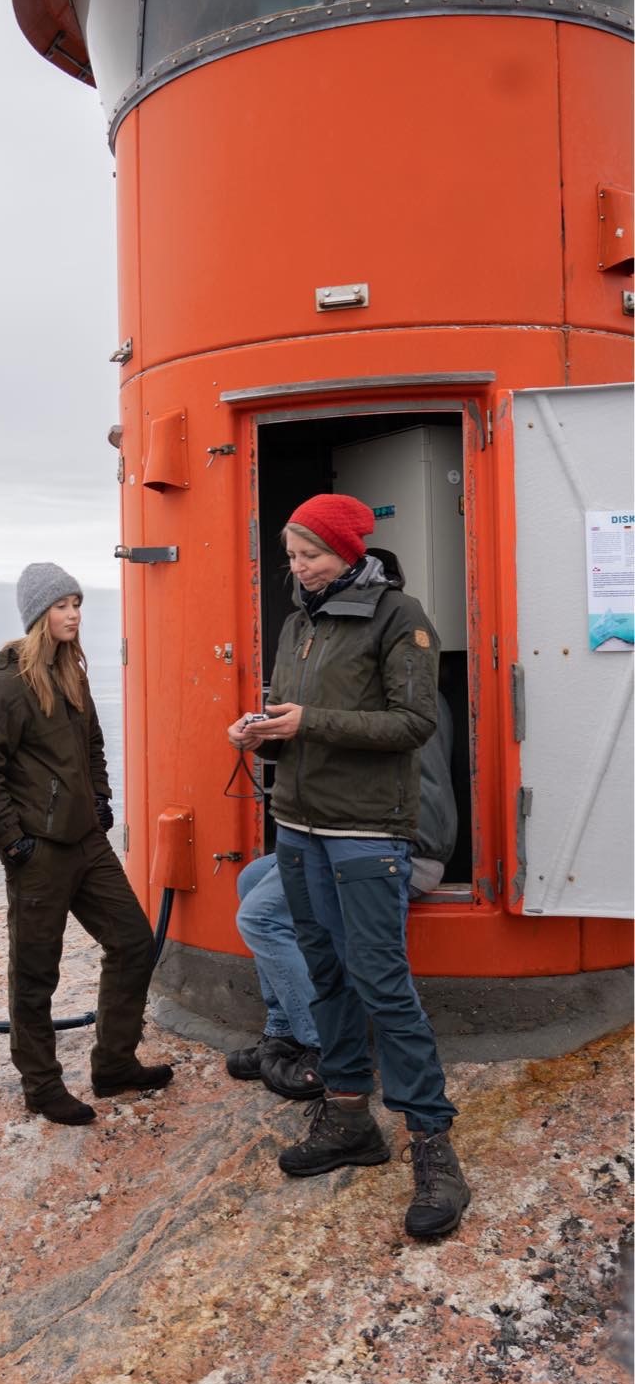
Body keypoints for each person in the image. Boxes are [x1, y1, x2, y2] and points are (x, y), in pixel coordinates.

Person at [228, 494, 470, 1241]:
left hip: (368, 834)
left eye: (311, 555)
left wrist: (309, 722)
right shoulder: (300, 621)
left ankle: (432, 1145)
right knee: (326, 973)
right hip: (298, 828)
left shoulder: (402, 616)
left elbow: (413, 723)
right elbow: (293, 718)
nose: (298, 568)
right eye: (293, 556)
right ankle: (347, 1120)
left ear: (346, 551)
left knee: (383, 984)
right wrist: (262, 735)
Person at [0, 561, 174, 1125]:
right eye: (62, 605)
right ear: (39, 614)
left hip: (88, 842)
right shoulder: (7, 685)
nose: (74, 613)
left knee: (133, 943)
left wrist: (102, 801)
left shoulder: (72, 669)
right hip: (39, 852)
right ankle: (41, 1085)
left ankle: (113, 1063)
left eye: (77, 603)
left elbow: (94, 746)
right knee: (36, 975)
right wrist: (14, 841)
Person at [227, 644, 458, 1101]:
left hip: (396, 848)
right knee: (251, 879)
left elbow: (351, 770)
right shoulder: (397, 694)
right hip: (363, 838)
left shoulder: (389, 706)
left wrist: (299, 725)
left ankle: (321, 1044)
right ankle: (284, 1029)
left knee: (259, 917)